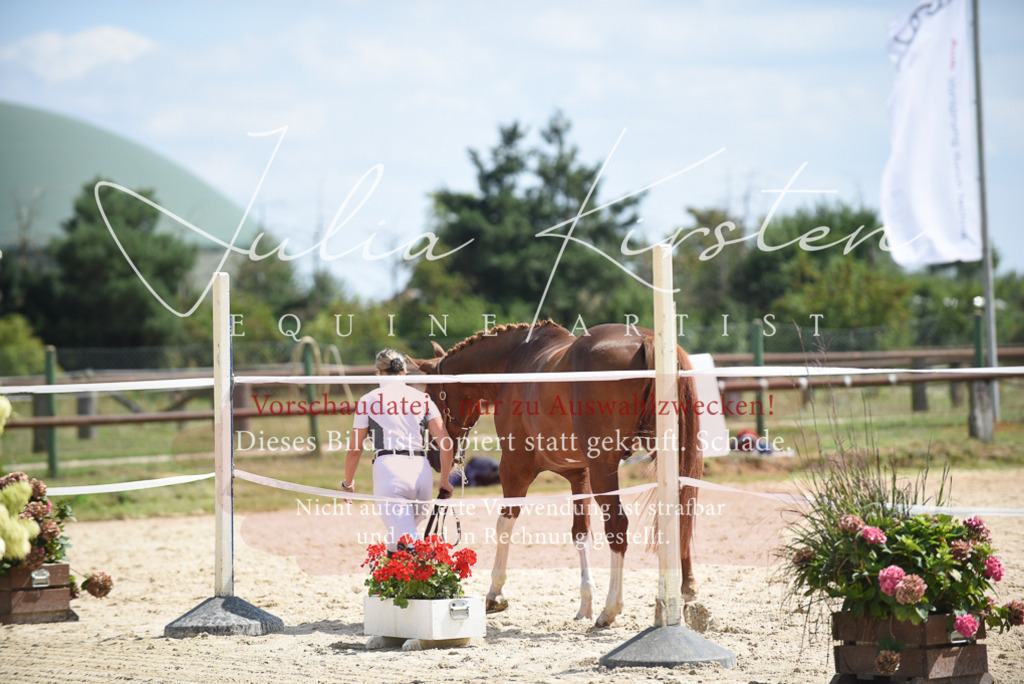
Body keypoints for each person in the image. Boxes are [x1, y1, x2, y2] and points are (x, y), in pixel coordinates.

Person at [342, 348, 453, 549]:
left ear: (378, 372)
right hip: (422, 474)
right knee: (398, 540)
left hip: (390, 472)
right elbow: (446, 443)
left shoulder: (368, 400)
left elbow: (355, 450)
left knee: (409, 543)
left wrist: (347, 483)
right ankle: (389, 576)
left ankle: (428, 576)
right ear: (403, 372)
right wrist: (445, 480)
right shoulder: (424, 400)